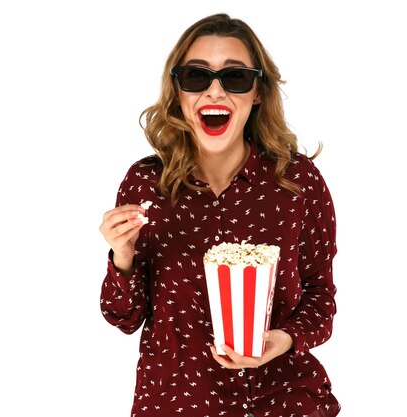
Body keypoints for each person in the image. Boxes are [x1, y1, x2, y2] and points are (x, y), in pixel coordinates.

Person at [99, 13, 340, 417]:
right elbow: (123, 317)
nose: (214, 91)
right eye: (196, 77)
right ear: (178, 92)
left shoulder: (297, 181)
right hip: (178, 404)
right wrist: (121, 257)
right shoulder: (146, 186)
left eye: (235, 78)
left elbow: (321, 298)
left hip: (284, 402)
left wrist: (284, 339)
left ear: (258, 92)